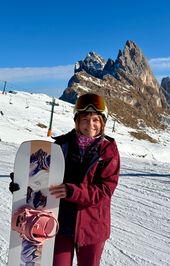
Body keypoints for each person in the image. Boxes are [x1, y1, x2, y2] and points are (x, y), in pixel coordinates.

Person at [9, 93, 120, 266]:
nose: (90, 125)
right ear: (77, 121)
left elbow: (105, 190)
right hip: (60, 223)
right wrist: (23, 183)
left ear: (102, 123)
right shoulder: (61, 146)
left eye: (95, 120)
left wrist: (72, 191)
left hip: (92, 227)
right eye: (85, 119)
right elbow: (42, 177)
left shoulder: (108, 152)